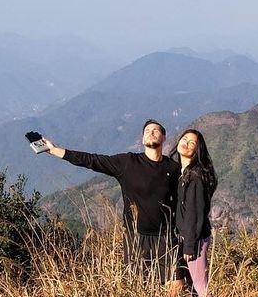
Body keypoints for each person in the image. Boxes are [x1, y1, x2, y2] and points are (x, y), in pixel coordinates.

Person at [41, 120, 183, 286]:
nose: (151, 133)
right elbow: (92, 160)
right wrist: (54, 150)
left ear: (164, 137)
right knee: (138, 287)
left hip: (165, 237)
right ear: (142, 139)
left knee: (176, 284)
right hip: (135, 237)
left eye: (156, 130)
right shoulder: (128, 163)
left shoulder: (173, 168)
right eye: (147, 131)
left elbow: (183, 199)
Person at [170, 129, 217, 297]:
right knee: (192, 284)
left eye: (192, 143)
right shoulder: (182, 172)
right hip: (187, 237)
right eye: (185, 139)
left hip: (195, 239)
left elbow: (195, 214)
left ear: (198, 150)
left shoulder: (195, 176)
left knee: (200, 284)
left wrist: (189, 245)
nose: (187, 144)